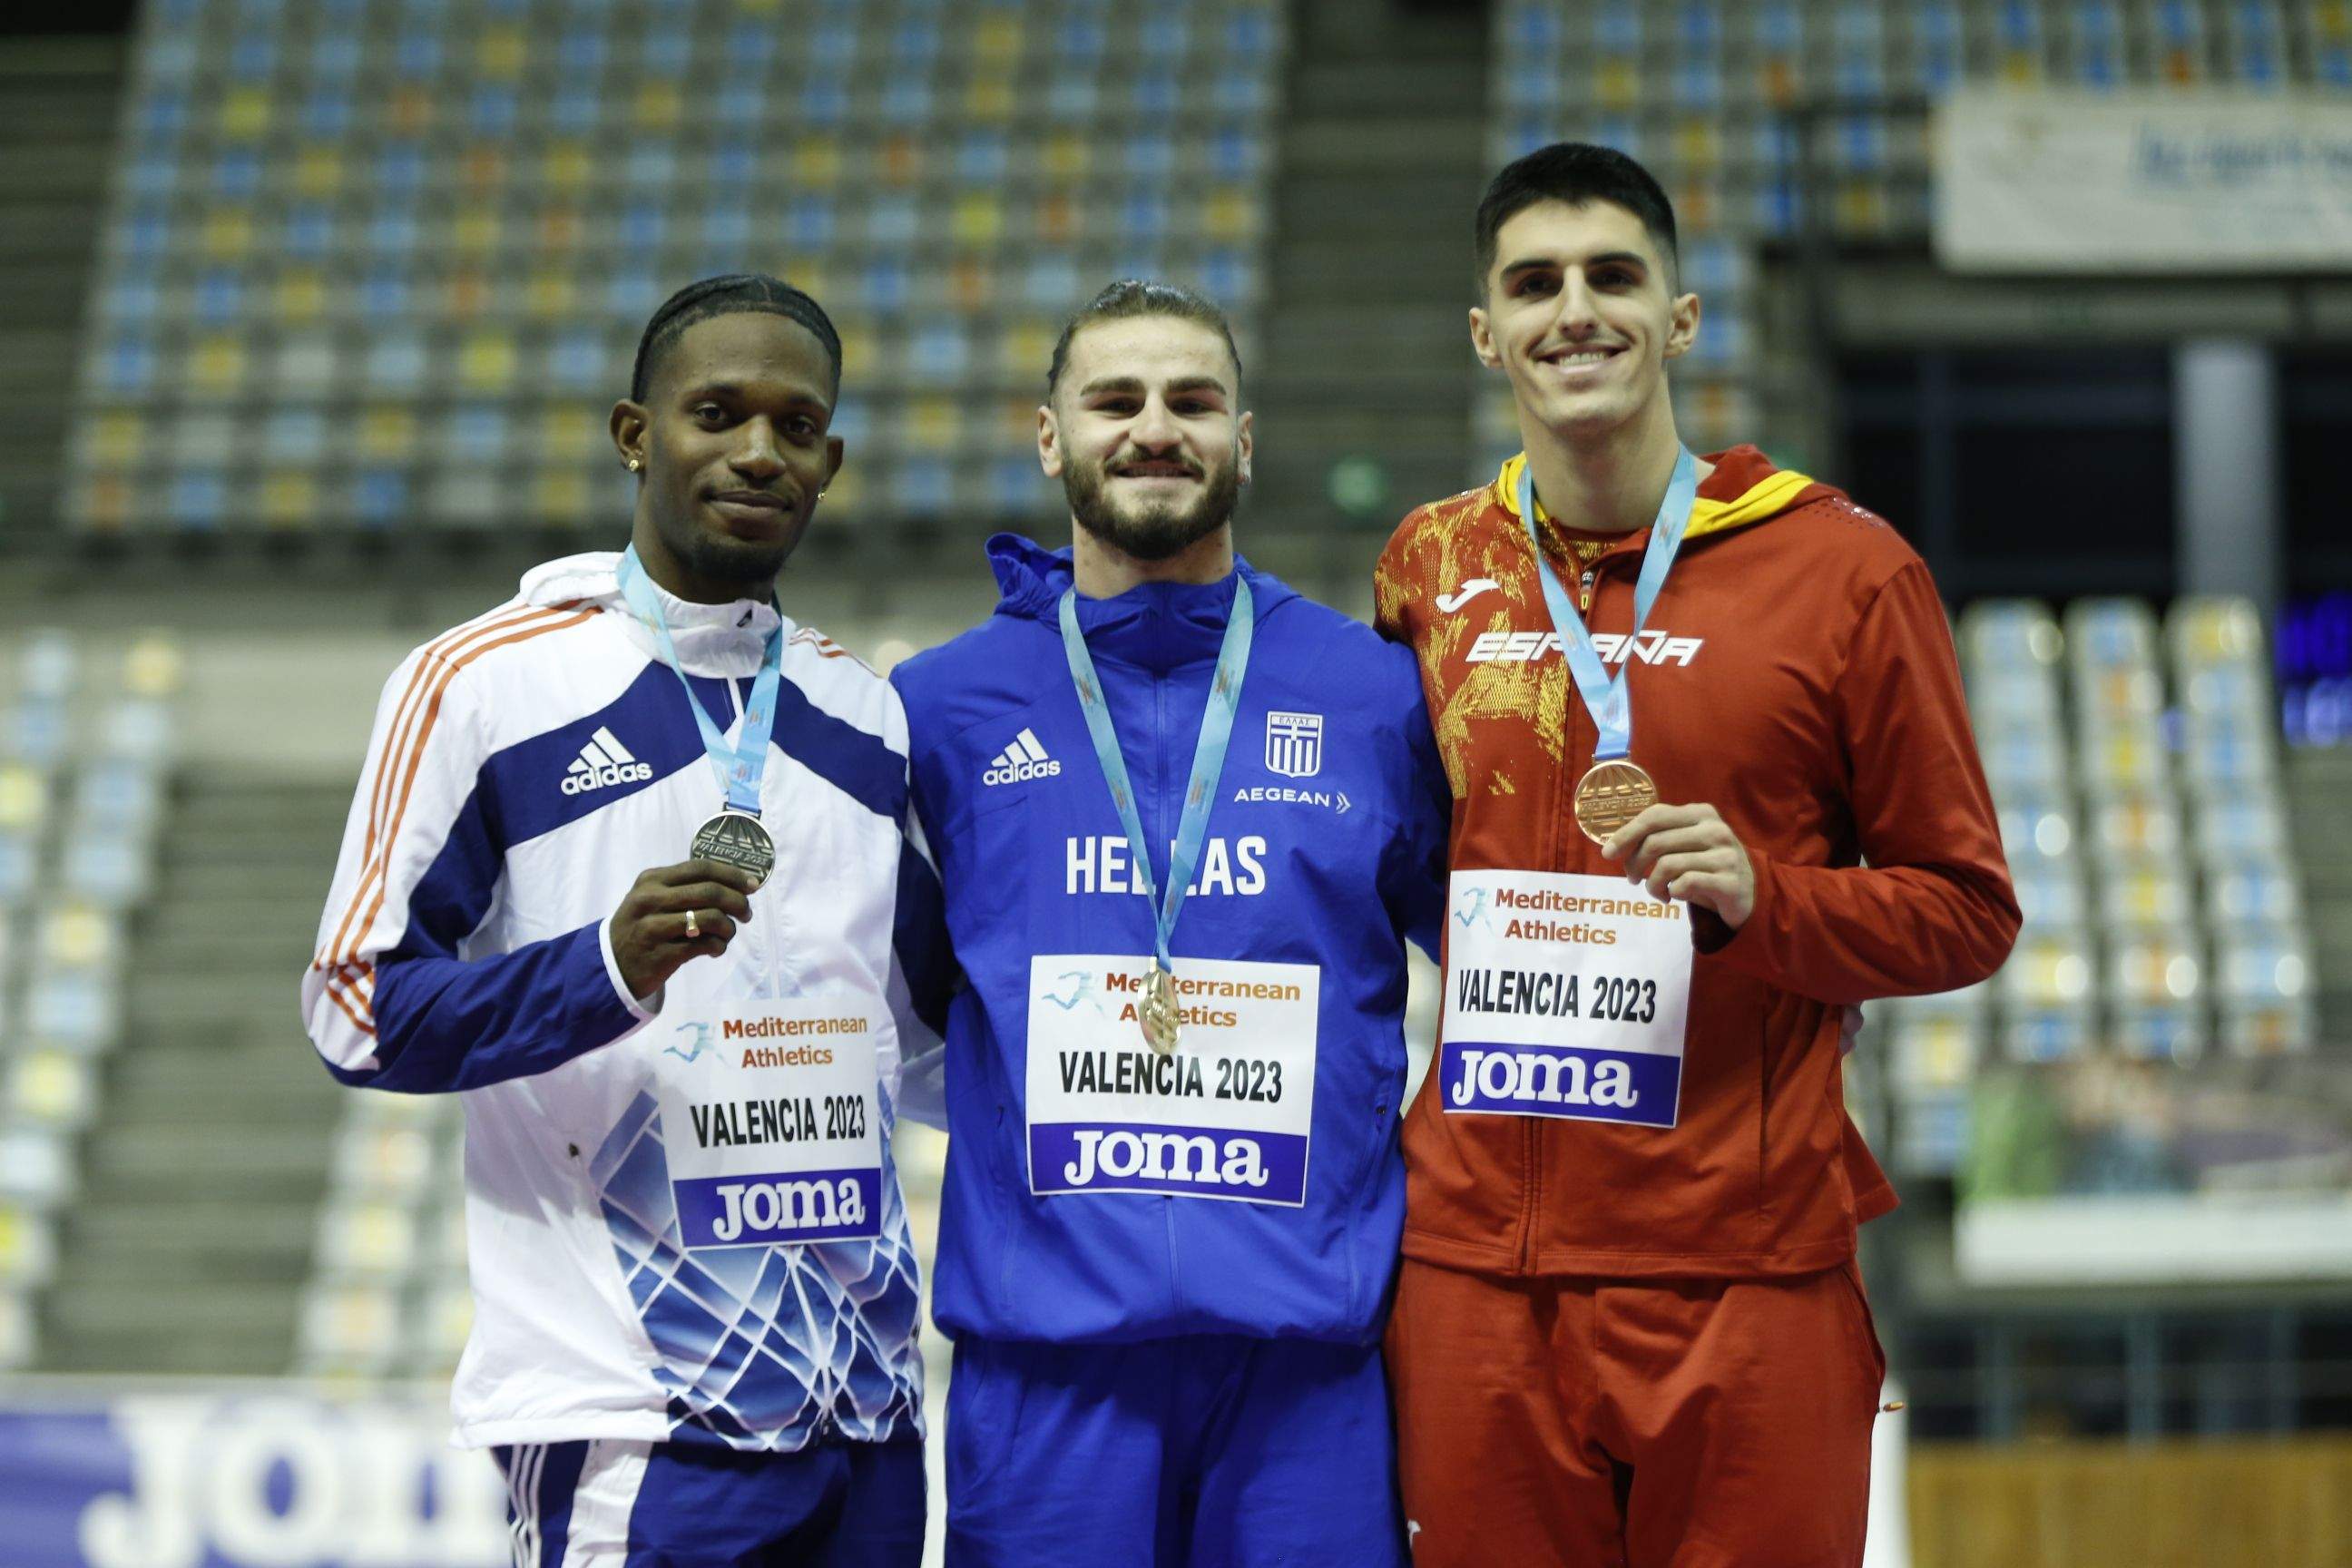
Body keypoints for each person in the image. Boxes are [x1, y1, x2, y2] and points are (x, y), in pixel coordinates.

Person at [1373, 144, 2022, 1566]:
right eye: (1533, 284)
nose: (1575, 311)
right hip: (1479, 1274)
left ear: (1680, 316)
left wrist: (1766, 901)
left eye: (1616, 275)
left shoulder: (1845, 569)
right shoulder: (1425, 571)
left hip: (1749, 1271)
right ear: (1487, 333)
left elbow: (1971, 911)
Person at [300, 274, 939, 1567]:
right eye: (717, 413)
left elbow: (928, 1042)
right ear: (635, 433)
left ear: (833, 460)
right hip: (631, 1418)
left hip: (868, 1419)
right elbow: (353, 1009)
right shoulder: (484, 682)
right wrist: (603, 969)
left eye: (796, 425)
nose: (758, 451)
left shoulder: (861, 717)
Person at [888, 279, 1449, 1567]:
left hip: (1306, 1378)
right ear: (1050, 437)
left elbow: (1484, 958)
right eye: (1115, 401)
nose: (1155, 428)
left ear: (1243, 441)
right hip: (1047, 1381)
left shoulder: (1370, 695)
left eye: (1193, 401)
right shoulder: (944, 707)